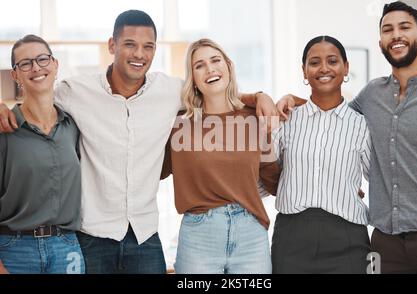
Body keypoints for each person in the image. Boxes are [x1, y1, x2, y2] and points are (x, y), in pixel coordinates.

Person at [0, 11, 277, 274]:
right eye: (130, 44)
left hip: (145, 238)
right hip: (93, 237)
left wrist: (258, 97)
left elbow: (213, 89)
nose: (139, 54)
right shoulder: (76, 92)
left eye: (148, 46)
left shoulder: (170, 91)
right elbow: (37, 95)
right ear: (112, 45)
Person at [278, 1, 417, 274]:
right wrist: (292, 101)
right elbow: (332, 115)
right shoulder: (371, 95)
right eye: (387, 30)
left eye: (404, 27)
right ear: (381, 41)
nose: (395, 35)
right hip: (384, 242)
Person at [160, 39, 280, 274]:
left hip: (250, 234)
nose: (210, 69)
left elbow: (274, 182)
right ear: (192, 78)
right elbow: (154, 171)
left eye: (216, 60)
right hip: (198, 236)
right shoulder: (179, 123)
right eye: (199, 65)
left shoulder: (254, 118)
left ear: (228, 66)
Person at [270, 36, 371, 274]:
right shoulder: (286, 120)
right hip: (291, 237)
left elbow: (381, 180)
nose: (324, 68)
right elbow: (263, 176)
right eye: (314, 62)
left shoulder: (363, 125)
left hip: (348, 238)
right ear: (304, 72)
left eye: (332, 61)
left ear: (346, 68)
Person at [0, 35, 84, 274]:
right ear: (15, 75)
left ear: (55, 65)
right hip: (15, 250)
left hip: (66, 247)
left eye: (42, 59)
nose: (36, 67)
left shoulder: (73, 126)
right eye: (25, 63)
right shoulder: (5, 129)